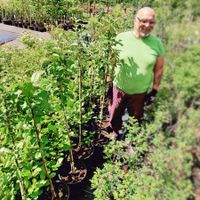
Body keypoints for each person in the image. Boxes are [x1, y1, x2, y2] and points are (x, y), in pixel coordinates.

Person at [108, 7, 165, 138]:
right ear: (135, 20)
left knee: (135, 117)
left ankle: (130, 139)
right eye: (144, 21)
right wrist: (108, 84)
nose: (147, 25)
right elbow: (111, 62)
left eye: (151, 22)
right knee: (115, 113)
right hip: (119, 89)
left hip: (141, 92)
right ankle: (115, 133)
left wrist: (155, 89)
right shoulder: (120, 38)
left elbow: (159, 68)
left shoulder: (157, 44)